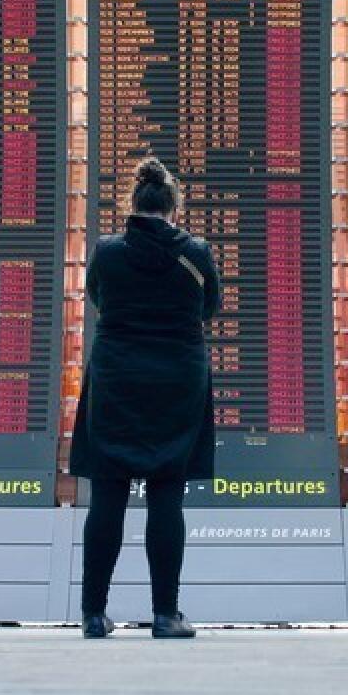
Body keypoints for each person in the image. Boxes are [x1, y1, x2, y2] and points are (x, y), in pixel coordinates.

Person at [69, 157, 221, 639]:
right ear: (173, 206)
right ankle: (165, 614)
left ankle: (94, 614)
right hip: (178, 380)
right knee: (166, 495)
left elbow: (98, 298)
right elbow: (210, 308)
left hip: (117, 380)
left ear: (133, 203)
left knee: (107, 495)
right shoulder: (195, 252)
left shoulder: (108, 252)